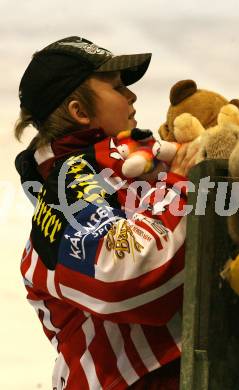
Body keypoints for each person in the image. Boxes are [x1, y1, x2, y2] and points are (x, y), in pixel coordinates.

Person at [14, 36, 199, 390]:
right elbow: (125, 276)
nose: (131, 96)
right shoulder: (66, 191)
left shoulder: (122, 168)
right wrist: (181, 184)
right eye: (116, 87)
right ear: (79, 112)